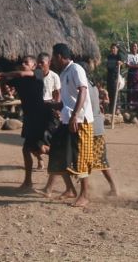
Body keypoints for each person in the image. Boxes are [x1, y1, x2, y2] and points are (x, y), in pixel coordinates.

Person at [0, 56, 52, 192]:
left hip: (40, 116)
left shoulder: (38, 73)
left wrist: (2, 74)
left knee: (34, 149)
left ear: (34, 66)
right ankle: (29, 182)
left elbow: (18, 73)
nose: (23, 64)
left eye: (26, 62)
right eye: (22, 62)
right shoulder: (18, 79)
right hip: (31, 118)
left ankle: (62, 158)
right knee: (31, 149)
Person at [47, 43, 95, 208]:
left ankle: (85, 195)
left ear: (59, 56)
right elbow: (69, 100)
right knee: (58, 152)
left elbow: (83, 91)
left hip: (80, 120)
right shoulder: (64, 73)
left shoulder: (75, 69)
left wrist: (75, 115)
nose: (52, 60)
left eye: (53, 57)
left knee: (80, 157)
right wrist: (55, 106)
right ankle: (70, 189)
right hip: (68, 120)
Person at [105, 44, 123, 114]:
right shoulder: (109, 56)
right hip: (110, 76)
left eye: (114, 48)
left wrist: (120, 63)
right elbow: (108, 65)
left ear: (117, 49)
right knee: (110, 92)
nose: (113, 49)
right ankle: (111, 108)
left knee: (116, 92)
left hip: (116, 76)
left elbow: (122, 64)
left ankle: (117, 108)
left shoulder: (119, 56)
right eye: (112, 48)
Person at [126, 43, 138, 110]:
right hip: (131, 73)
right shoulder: (128, 55)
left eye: (135, 46)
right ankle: (130, 105)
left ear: (137, 48)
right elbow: (127, 65)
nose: (134, 48)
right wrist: (137, 66)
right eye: (133, 46)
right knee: (130, 88)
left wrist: (132, 65)